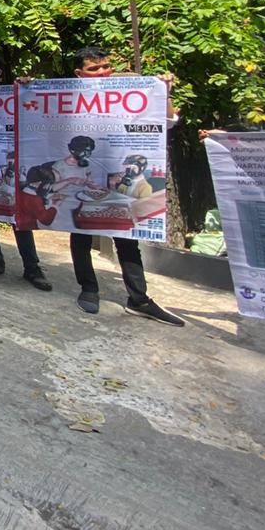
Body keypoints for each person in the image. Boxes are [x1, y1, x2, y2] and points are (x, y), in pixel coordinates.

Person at [67, 46, 183, 326]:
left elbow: (168, 122)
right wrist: (25, 86)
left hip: (119, 184)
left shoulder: (133, 92)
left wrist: (163, 92)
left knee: (127, 238)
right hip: (86, 182)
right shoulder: (66, 96)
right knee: (81, 235)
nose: (102, 72)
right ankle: (88, 288)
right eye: (94, 69)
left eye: (106, 66)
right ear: (79, 73)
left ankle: (139, 299)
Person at [0, 53, 52, 290]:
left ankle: (32, 267)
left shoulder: (14, 94)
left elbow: (36, 112)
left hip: (12, 165)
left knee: (19, 215)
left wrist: (28, 87)